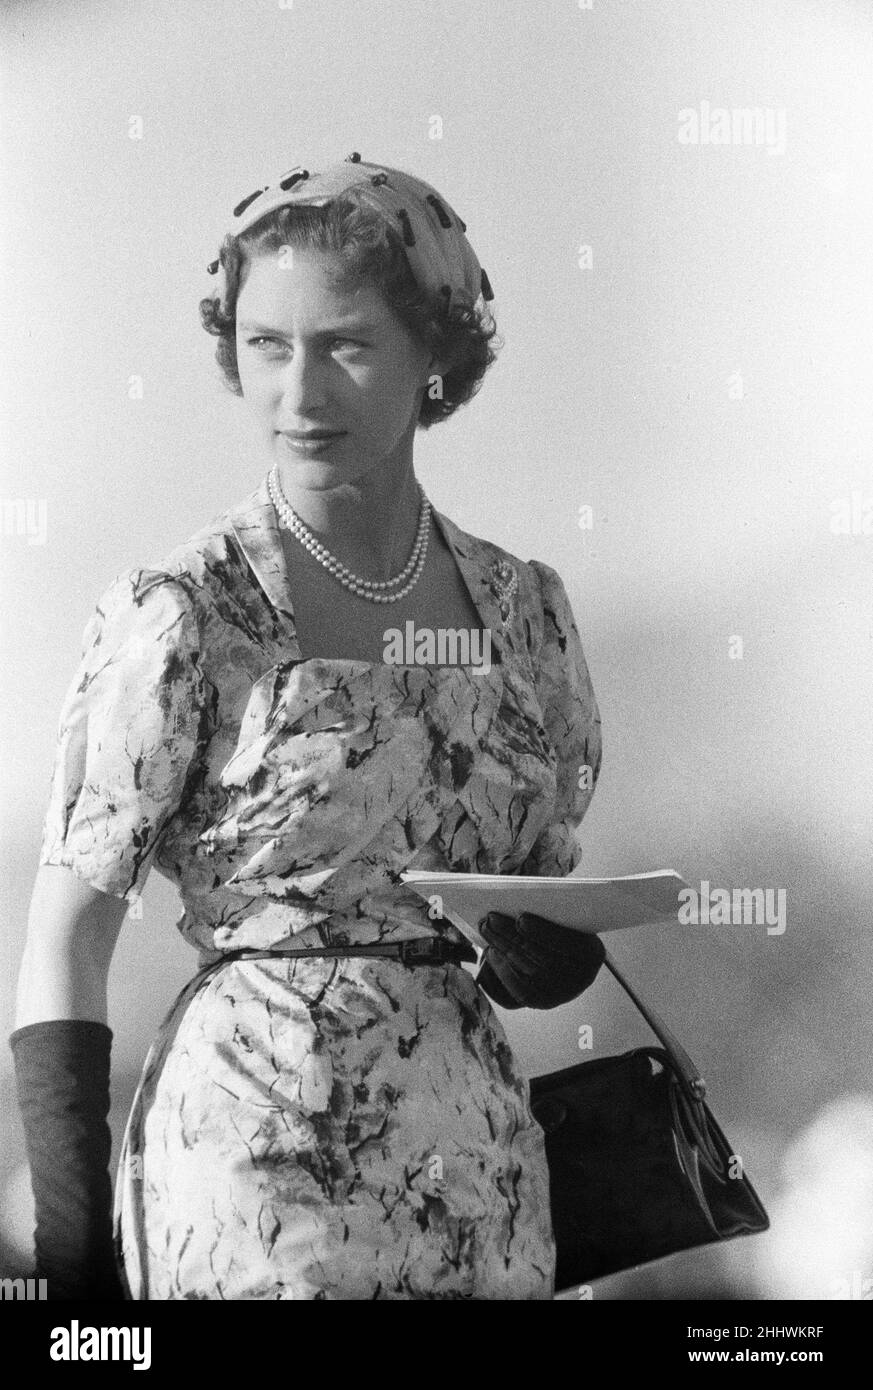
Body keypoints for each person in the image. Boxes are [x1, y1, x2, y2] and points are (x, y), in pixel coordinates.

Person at [11, 154, 605, 1301]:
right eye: (266, 344)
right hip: (248, 1180)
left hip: (479, 1186)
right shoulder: (187, 613)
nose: (298, 391)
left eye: (344, 344)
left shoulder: (527, 612)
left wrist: (549, 946)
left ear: (436, 354)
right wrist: (70, 1271)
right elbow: (65, 938)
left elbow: (537, 922)